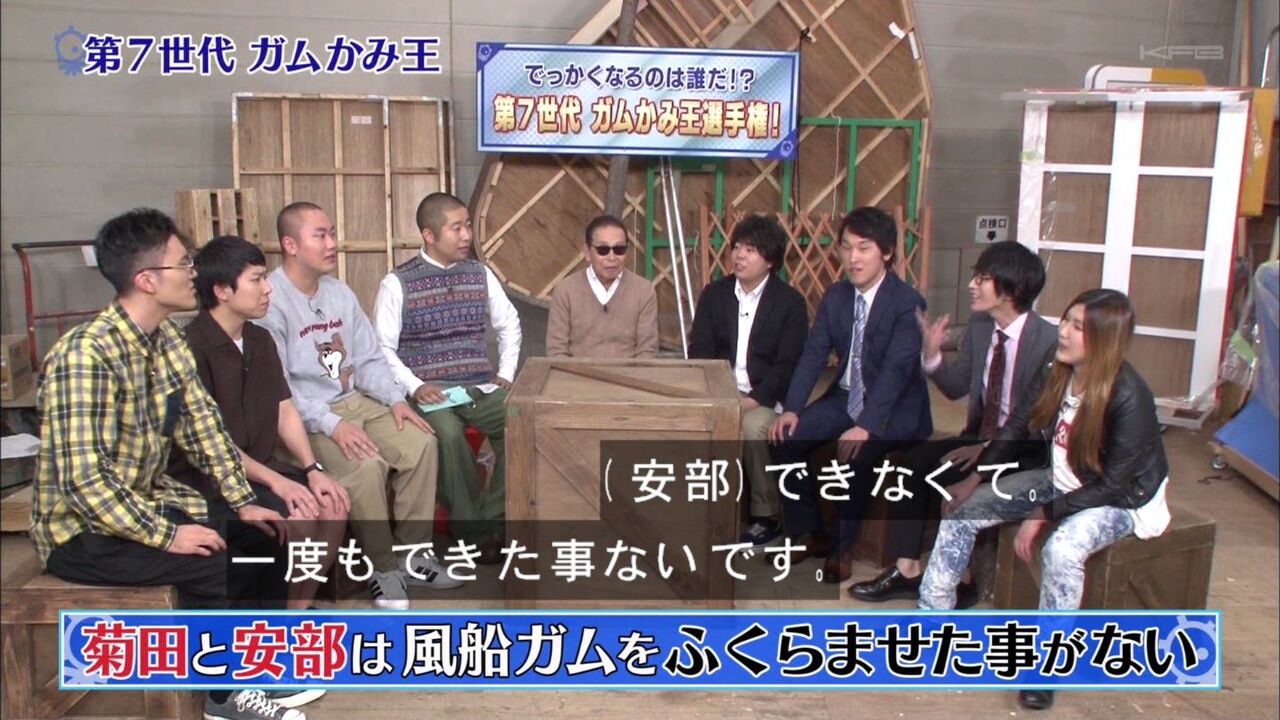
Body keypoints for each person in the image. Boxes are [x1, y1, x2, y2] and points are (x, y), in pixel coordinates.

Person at [32, 208, 317, 719]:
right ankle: (223, 697)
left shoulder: (167, 342)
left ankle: (261, 665)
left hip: (146, 504)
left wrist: (243, 501)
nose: (193, 273)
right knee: (213, 562)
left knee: (266, 530)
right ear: (147, 280)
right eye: (184, 263)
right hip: (82, 530)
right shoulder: (85, 355)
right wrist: (168, 536)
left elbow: (205, 430)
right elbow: (84, 482)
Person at [918, 288, 1172, 712]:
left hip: (1122, 499)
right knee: (965, 509)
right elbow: (1017, 424)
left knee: (1063, 548)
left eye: (1078, 327)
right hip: (1061, 477)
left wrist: (1042, 513)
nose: (1064, 332)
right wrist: (978, 477)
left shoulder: (1129, 395)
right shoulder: (1057, 367)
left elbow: (1114, 484)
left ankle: (1048, 666)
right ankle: (931, 624)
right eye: (1066, 320)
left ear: (1105, 339)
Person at [259, 201, 461, 610]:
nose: (332, 243)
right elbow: (280, 390)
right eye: (321, 235)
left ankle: (414, 556)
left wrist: (396, 400)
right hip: (308, 418)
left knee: (420, 442)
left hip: (357, 401)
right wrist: (332, 424)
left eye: (333, 233)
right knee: (365, 468)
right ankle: (383, 569)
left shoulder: (339, 293)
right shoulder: (270, 302)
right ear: (290, 245)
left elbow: (368, 360)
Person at [850, 241, 1057, 604]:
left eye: (983, 278)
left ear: (1011, 289)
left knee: (959, 479)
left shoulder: (1047, 341)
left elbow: (1032, 420)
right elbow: (956, 386)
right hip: (980, 436)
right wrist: (932, 356)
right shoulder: (981, 326)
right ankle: (907, 568)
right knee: (913, 463)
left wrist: (986, 452)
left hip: (1026, 448)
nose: (971, 285)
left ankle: (965, 579)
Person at [167, 235, 350, 611]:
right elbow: (213, 443)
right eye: (256, 279)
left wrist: (311, 469)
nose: (268, 289)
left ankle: (298, 609)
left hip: (263, 467)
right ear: (222, 291)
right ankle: (278, 617)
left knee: (333, 505)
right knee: (299, 518)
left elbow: (284, 407)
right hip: (211, 479)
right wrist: (281, 484)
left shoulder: (260, 339)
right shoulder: (192, 347)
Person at [768, 207, 932, 583]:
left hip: (894, 409)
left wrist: (867, 425)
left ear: (886, 252)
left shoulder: (907, 303)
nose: (853, 258)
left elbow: (896, 372)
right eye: (846, 247)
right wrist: (792, 408)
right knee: (785, 437)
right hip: (845, 397)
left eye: (864, 248)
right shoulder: (837, 296)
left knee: (857, 452)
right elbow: (814, 354)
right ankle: (809, 533)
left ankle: (842, 548)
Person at [373, 192, 521, 563]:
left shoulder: (480, 274)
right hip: (428, 393)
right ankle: (475, 535)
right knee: (449, 437)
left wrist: (505, 374)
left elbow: (509, 323)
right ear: (429, 235)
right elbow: (382, 349)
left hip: (480, 387)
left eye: (468, 225)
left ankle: (490, 519)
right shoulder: (398, 283)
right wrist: (416, 386)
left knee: (522, 422)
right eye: (457, 228)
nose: (467, 235)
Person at [688, 214, 808, 546]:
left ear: (770, 260)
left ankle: (767, 516)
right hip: (719, 392)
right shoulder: (715, 294)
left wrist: (749, 402)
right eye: (737, 247)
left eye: (750, 249)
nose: (739, 255)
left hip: (763, 397)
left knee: (753, 428)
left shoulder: (790, 303)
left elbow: (787, 366)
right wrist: (719, 397)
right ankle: (699, 510)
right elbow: (700, 350)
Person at [546, 214, 659, 358]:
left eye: (619, 249)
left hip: (628, 373)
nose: (612, 257)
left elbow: (647, 350)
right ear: (587, 252)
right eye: (603, 250)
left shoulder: (643, 291)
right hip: (576, 372)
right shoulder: (566, 290)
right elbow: (556, 350)